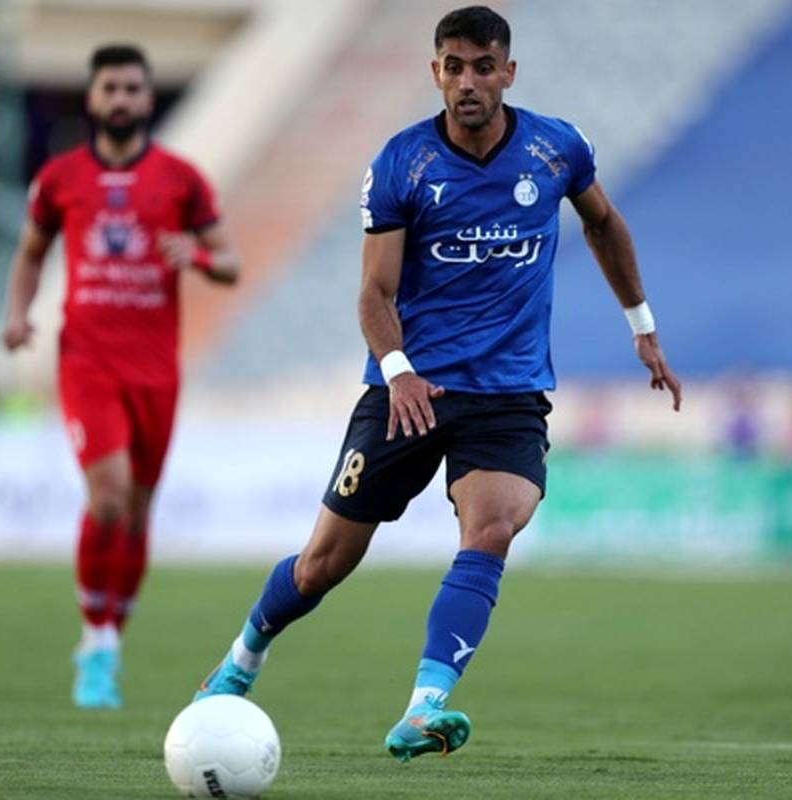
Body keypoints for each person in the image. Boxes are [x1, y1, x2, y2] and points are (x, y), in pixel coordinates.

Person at [193, 5, 681, 761]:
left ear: (508, 73)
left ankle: (423, 708)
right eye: (454, 68)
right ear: (436, 73)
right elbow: (373, 293)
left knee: (493, 528)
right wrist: (399, 374)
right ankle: (241, 658)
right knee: (323, 564)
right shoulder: (403, 163)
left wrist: (641, 325)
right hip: (408, 391)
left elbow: (603, 223)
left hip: (507, 394)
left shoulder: (557, 149)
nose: (468, 83)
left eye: (483, 67)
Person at [1, 44, 240, 708]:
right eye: (110, 87)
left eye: (133, 88)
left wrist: (196, 254)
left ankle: (110, 638)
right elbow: (30, 253)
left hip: (156, 370)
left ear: (147, 98)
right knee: (106, 497)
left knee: (135, 513)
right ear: (92, 97)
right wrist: (18, 314)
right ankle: (95, 639)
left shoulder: (181, 179)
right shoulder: (59, 178)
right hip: (87, 361)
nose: (121, 99)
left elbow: (231, 262)